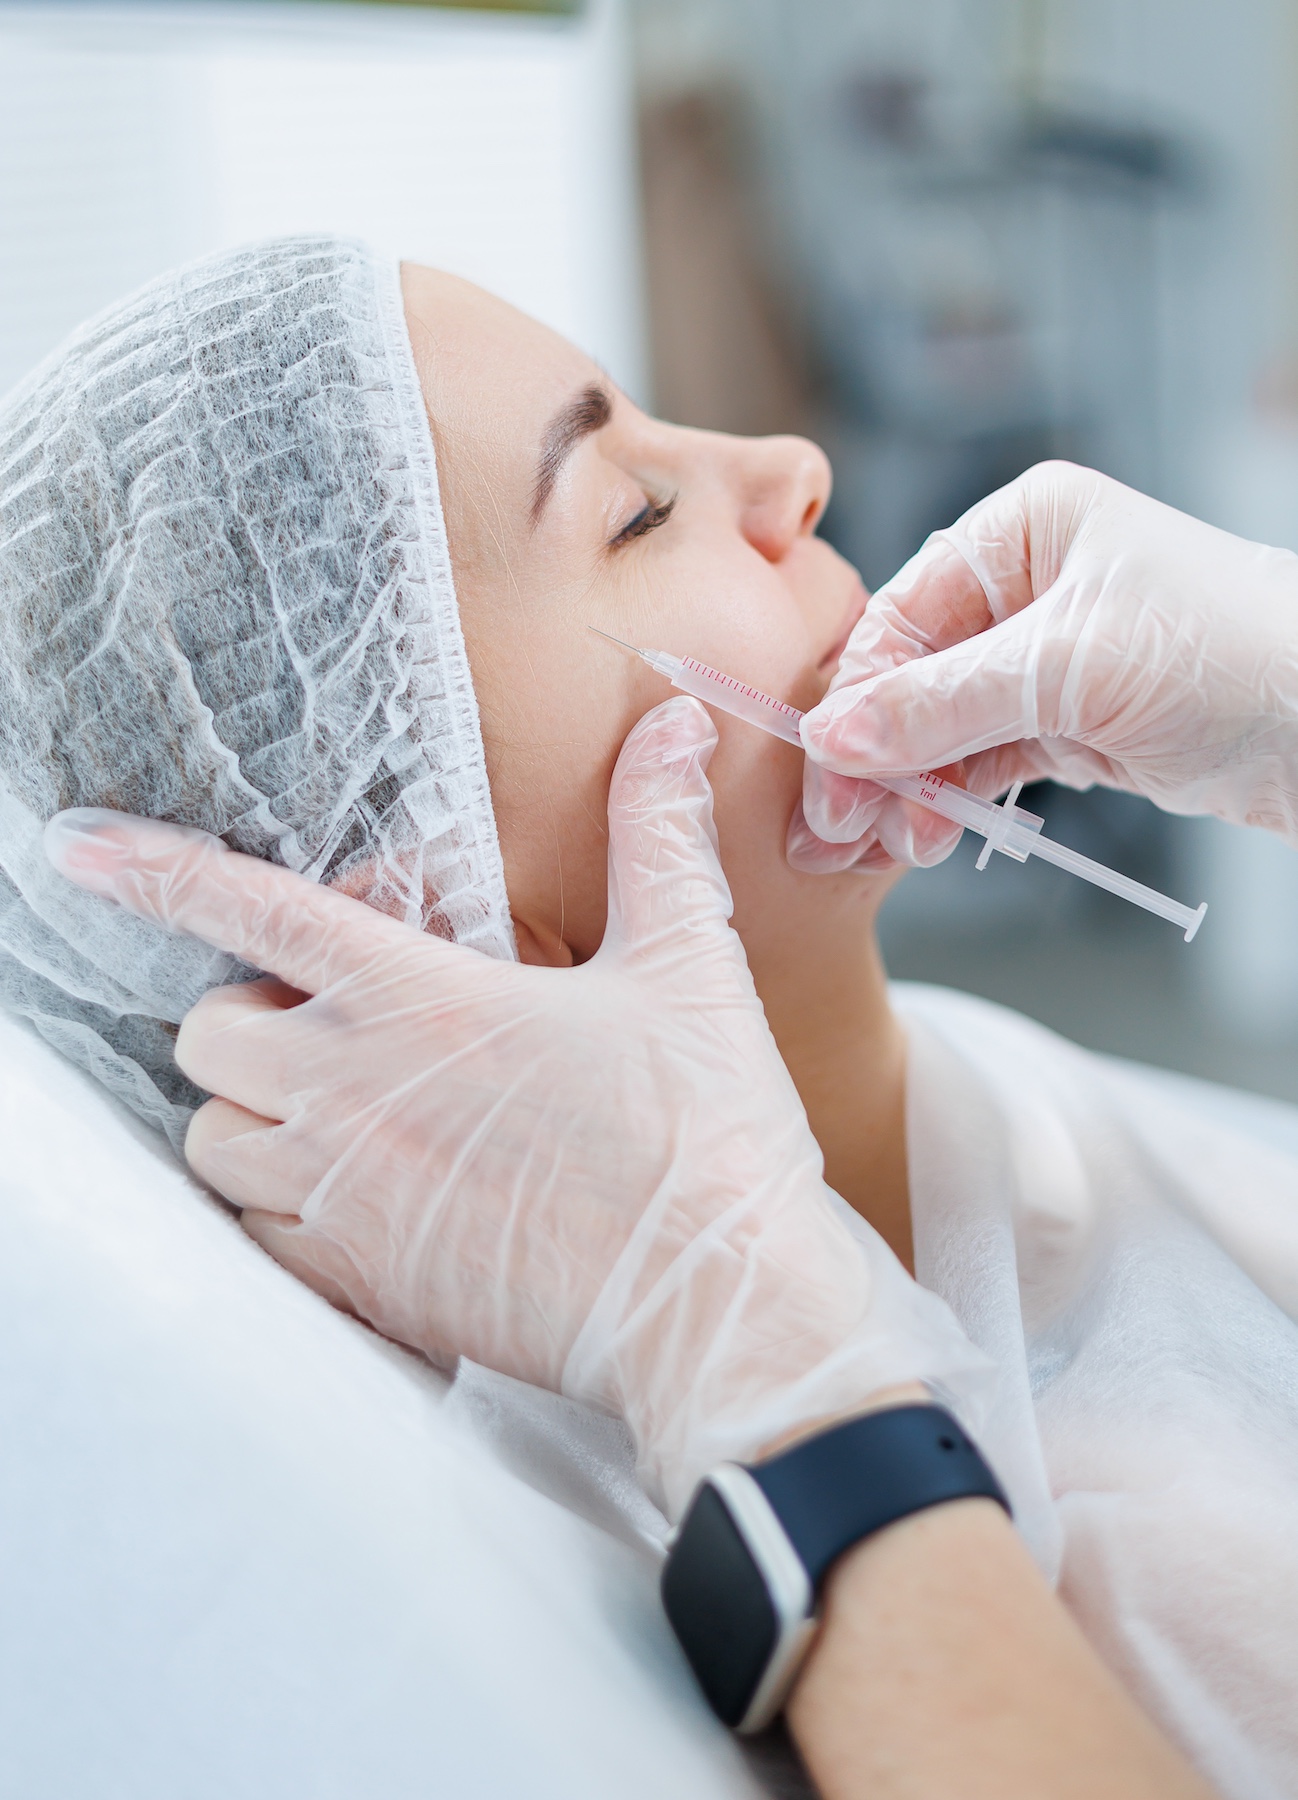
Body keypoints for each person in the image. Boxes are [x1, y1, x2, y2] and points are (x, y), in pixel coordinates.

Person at [10, 240, 1294, 1795]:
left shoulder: (984, 1109)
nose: (791, 467)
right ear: (430, 939)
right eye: (637, 509)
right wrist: (747, 1334)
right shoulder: (1148, 1566)